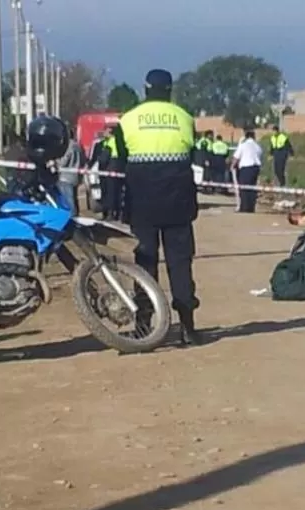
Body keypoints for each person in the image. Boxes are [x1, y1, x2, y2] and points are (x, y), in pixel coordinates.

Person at [114, 68, 203, 346]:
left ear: (145, 89)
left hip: (142, 202)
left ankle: (144, 327)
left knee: (145, 263)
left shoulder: (128, 120)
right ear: (170, 90)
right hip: (178, 201)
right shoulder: (185, 118)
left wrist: (116, 205)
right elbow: (193, 156)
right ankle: (187, 327)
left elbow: (117, 165)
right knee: (180, 263)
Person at [231, 128, 263, 213]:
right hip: (255, 168)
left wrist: (232, 166)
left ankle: (244, 208)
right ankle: (251, 207)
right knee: (252, 188)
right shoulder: (257, 146)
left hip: (246, 168)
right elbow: (260, 156)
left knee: (244, 188)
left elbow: (236, 157)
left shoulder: (243, 145)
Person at [57, 126, 85, 213]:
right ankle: (76, 213)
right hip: (76, 175)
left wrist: (56, 163)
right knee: (74, 197)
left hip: (65, 176)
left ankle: (71, 216)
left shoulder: (68, 146)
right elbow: (84, 160)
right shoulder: (78, 146)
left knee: (67, 199)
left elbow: (64, 160)